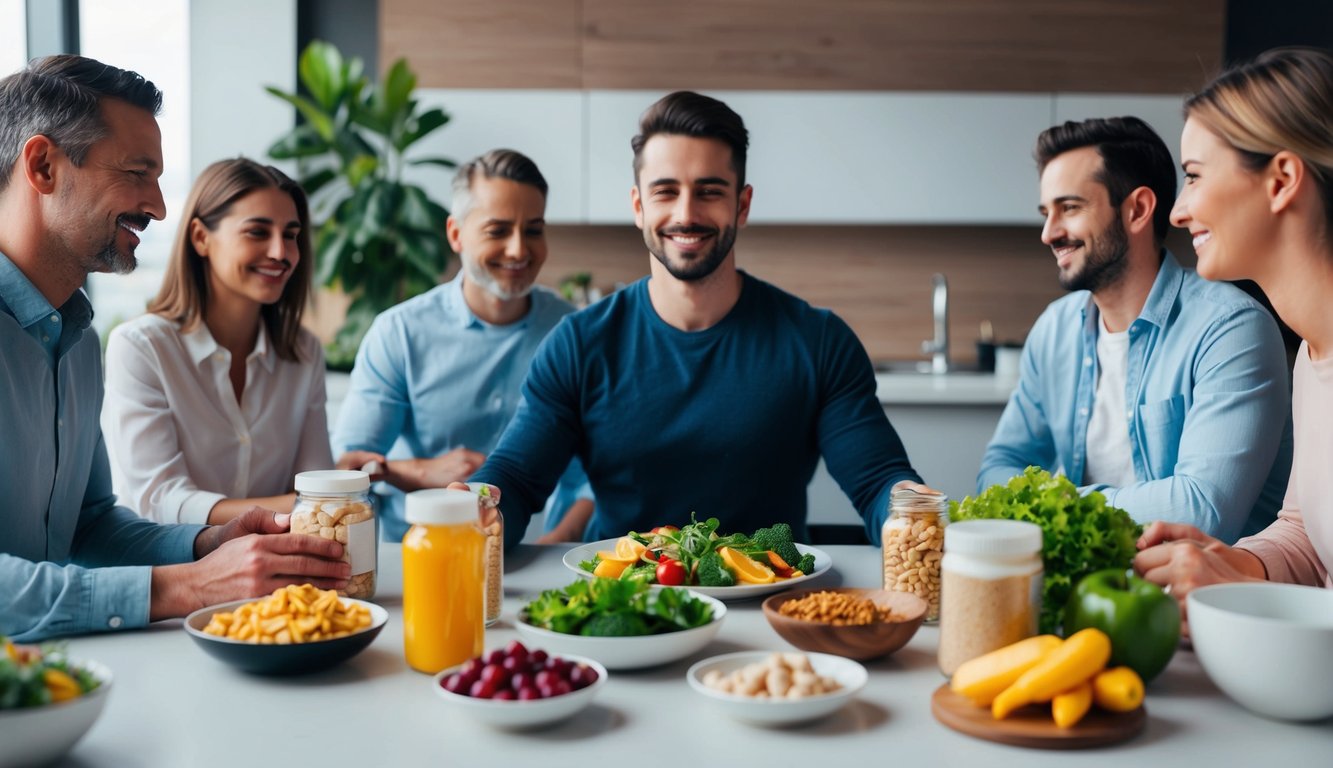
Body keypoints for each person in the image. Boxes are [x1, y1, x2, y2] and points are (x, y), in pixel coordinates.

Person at [468, 91, 925, 551]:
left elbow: (877, 481)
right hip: (623, 602)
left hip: (772, 605)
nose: (686, 213)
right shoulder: (578, 345)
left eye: (709, 192)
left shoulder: (819, 341)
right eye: (666, 191)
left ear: (742, 206)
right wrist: (471, 503)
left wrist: (910, 507)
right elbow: (516, 479)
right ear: (638, 206)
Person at [0, 55, 348, 642]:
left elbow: (87, 528)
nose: (159, 205)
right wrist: (190, 585)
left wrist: (208, 544)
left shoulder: (78, 341)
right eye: (138, 173)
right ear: (43, 166)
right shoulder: (132, 342)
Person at [977, 116, 1292, 543]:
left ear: (1138, 210)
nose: (1049, 233)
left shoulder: (1230, 329)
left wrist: (1056, 506)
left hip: (1199, 599)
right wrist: (1057, 509)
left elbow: (1201, 510)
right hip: (1089, 588)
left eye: (1069, 208)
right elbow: (1000, 465)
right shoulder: (1053, 330)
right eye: (1045, 213)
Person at [1135, 48, 1333, 608]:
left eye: (1194, 177)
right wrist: (1229, 562)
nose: (1177, 211)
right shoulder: (1312, 354)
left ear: (1281, 181)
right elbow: (1309, 536)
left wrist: (1249, 596)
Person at [332, 149, 592, 542]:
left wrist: (552, 548)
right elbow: (346, 472)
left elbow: (600, 473)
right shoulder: (399, 333)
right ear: (455, 234)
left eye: (534, 229)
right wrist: (417, 472)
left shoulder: (574, 333)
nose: (519, 249)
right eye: (498, 230)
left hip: (549, 552)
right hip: (422, 553)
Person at [101, 158, 356, 524]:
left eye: (291, 235)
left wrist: (327, 496)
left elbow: (316, 482)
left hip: (279, 572)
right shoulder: (141, 347)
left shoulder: (303, 351)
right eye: (257, 232)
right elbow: (159, 500)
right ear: (201, 238)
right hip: (177, 570)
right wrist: (316, 504)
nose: (280, 252)